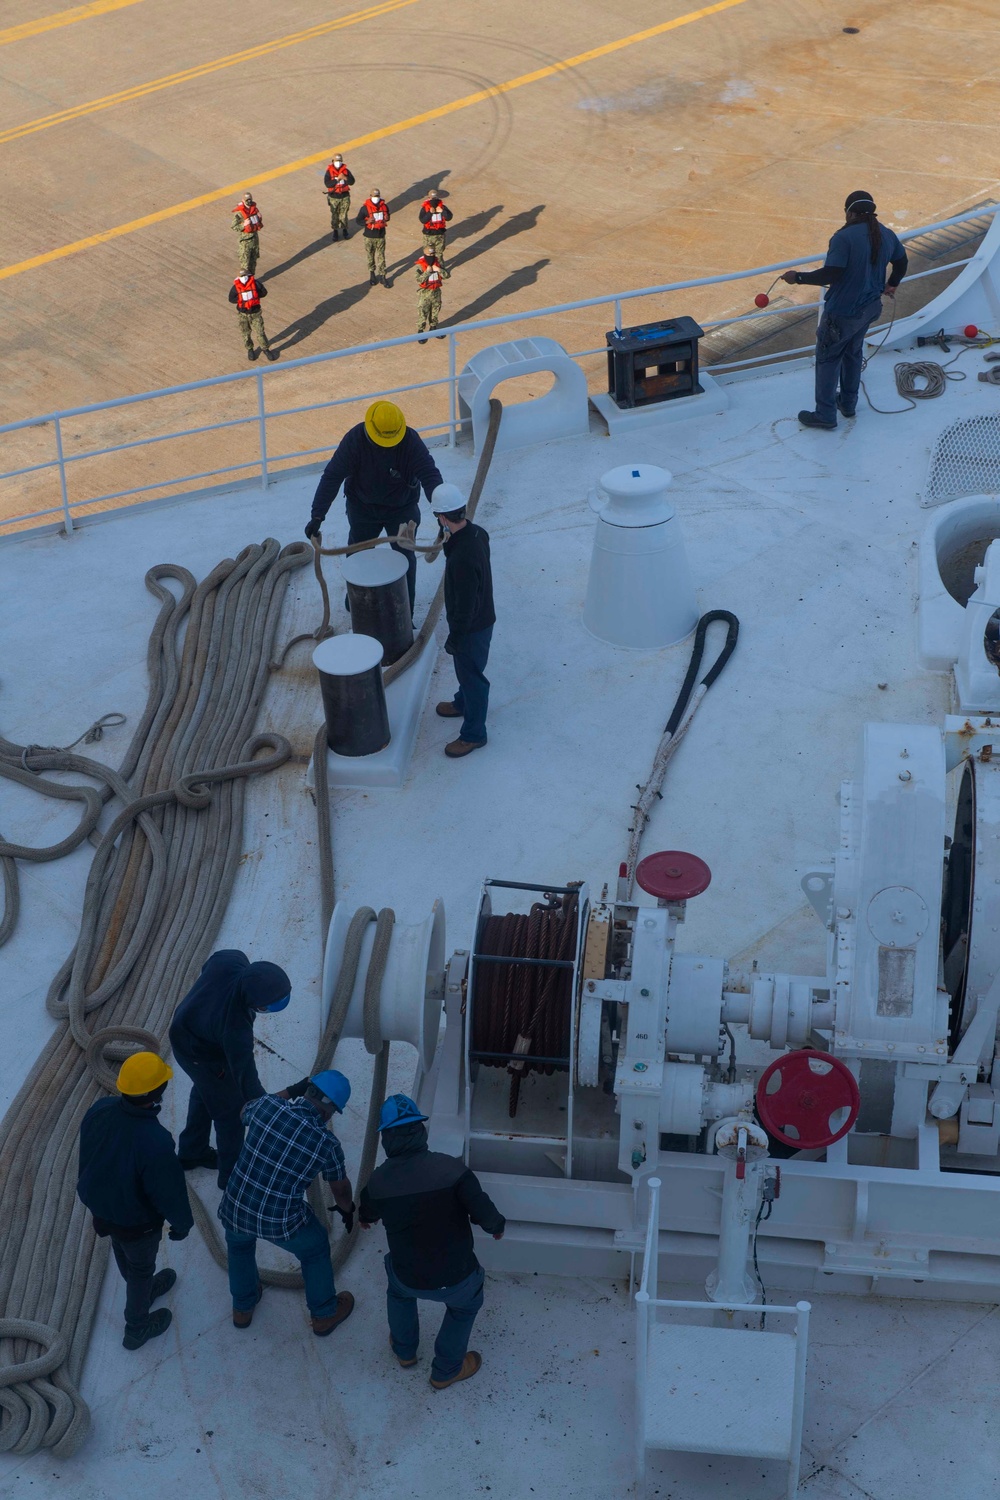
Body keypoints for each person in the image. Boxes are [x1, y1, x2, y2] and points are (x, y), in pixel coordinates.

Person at [359, 1094, 505, 1390]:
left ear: (386, 1138)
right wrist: (496, 1227)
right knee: (464, 1308)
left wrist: (366, 1217)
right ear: (420, 1131)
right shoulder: (453, 1170)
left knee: (398, 1293)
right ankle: (446, 1370)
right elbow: (485, 1213)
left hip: (408, 1277)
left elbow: (367, 1214)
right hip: (458, 1278)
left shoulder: (376, 1182)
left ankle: (404, 1352)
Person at [218, 1071, 356, 1334]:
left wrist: (291, 1091)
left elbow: (244, 1111)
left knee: (239, 1248)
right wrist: (347, 1210)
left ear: (308, 1091)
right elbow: (339, 1187)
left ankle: (243, 1308)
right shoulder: (326, 1143)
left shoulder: (268, 1107)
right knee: (315, 1249)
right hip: (279, 1222)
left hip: (235, 1208)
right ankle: (325, 1314)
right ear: (330, 1113)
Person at [76, 1052, 193, 1351]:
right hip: (136, 1222)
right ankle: (136, 1327)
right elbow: (169, 1193)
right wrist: (182, 1224)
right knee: (140, 1267)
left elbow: (89, 1155)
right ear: (157, 1094)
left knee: (122, 1251)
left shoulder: (100, 1110)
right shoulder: (154, 1141)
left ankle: (141, 1287)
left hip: (104, 1212)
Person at [782, 190, 908, 429]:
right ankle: (848, 404)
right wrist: (891, 285)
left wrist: (797, 277)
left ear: (849, 213)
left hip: (842, 313)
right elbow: (902, 262)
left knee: (827, 360)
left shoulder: (844, 238)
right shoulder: (886, 234)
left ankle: (825, 414)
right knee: (853, 353)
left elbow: (833, 273)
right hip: (869, 309)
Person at [304, 401, 443, 615]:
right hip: (362, 509)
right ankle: (357, 603)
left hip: (402, 510)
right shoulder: (354, 440)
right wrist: (317, 515)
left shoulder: (411, 441)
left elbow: (429, 476)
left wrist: (442, 514)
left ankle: (405, 615)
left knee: (405, 560)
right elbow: (332, 476)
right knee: (358, 557)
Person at [169, 949, 291, 1188]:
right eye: (266, 1007)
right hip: (197, 1053)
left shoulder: (231, 960)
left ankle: (192, 1152)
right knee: (231, 1113)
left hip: (184, 1026)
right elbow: (246, 1079)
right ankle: (232, 1179)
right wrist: (269, 1112)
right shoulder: (235, 1028)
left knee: (206, 1090)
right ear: (255, 1004)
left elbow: (210, 963)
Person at [432, 485, 495, 758]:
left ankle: (473, 735)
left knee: (473, 679)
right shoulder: (478, 533)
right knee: (468, 672)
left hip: (472, 627)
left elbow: (466, 604)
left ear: (443, 518)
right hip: (484, 619)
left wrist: (455, 638)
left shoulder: (461, 557)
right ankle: (461, 703)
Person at [228, 274, 279, 363]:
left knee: (260, 332)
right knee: (245, 333)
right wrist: (242, 299)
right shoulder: (236, 287)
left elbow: (264, 292)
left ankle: (265, 349)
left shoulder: (255, 284)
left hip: (255, 313)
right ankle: (250, 349)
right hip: (243, 314)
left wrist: (254, 296)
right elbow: (231, 298)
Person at [357, 188, 391, 287]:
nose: (376, 198)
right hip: (369, 236)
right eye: (374, 196)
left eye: (377, 196)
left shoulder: (384, 206)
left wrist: (387, 218)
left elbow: (388, 216)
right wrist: (366, 222)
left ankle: (383, 276)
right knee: (370, 256)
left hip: (380, 235)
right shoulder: (364, 208)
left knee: (381, 256)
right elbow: (358, 220)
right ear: (370, 196)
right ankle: (372, 274)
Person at [416, 249, 446, 343]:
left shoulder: (438, 263)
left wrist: (439, 270)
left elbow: (447, 275)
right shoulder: (420, 265)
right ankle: (421, 331)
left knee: (435, 311)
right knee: (423, 311)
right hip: (425, 293)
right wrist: (427, 272)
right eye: (429, 254)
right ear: (425, 254)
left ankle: (433, 328)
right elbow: (418, 279)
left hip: (436, 292)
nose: (431, 255)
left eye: (433, 253)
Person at [324, 154, 355, 241]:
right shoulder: (329, 172)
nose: (338, 163)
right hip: (334, 197)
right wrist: (337, 179)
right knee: (335, 216)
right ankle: (335, 231)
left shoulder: (346, 171)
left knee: (344, 215)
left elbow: (352, 182)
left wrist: (345, 177)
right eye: (336, 161)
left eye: (340, 161)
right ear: (332, 161)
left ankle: (345, 230)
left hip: (344, 196)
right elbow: (327, 184)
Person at [419, 193, 453, 271]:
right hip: (428, 235)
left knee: (439, 254)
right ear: (428, 198)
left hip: (440, 235)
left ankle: (440, 270)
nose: (434, 200)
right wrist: (430, 213)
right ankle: (427, 270)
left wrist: (442, 211)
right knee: (428, 254)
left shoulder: (442, 207)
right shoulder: (425, 208)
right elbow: (423, 220)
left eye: (435, 198)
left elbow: (449, 217)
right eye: (432, 198)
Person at [232, 191, 263, 275]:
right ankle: (244, 283)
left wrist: (260, 218)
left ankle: (252, 282)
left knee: (253, 262)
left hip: (254, 240)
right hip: (245, 241)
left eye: (250, 200)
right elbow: (234, 226)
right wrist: (243, 225)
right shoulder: (239, 213)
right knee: (245, 265)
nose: (249, 202)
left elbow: (258, 223)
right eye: (247, 200)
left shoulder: (254, 209)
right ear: (243, 200)